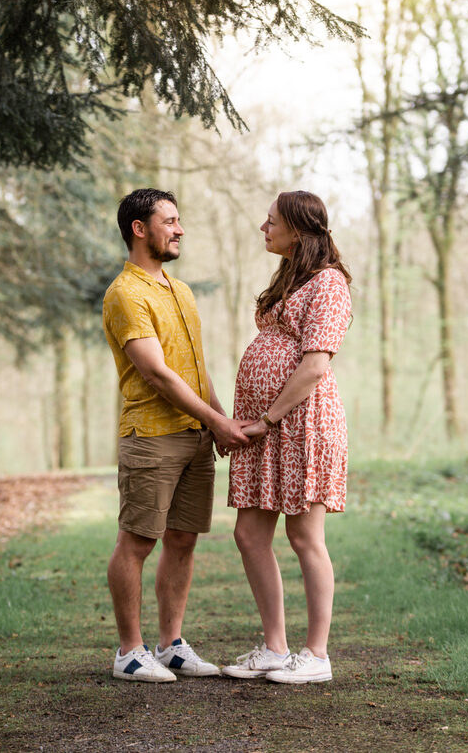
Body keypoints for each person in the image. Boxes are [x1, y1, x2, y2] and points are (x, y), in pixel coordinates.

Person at [102, 188, 251, 683]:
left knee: (183, 539)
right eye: (169, 220)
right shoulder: (125, 294)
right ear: (139, 229)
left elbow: (195, 369)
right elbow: (159, 375)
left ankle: (171, 646)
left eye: (179, 219)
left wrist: (220, 420)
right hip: (151, 435)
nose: (180, 228)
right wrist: (217, 421)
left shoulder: (180, 291)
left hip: (195, 435)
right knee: (138, 541)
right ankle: (129, 651)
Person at [221, 190, 352, 684]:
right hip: (267, 427)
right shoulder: (290, 278)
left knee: (304, 537)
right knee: (249, 534)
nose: (263, 227)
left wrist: (269, 418)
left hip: (300, 424)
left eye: (271, 220)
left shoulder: (329, 283)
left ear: (299, 228)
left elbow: (316, 364)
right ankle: (275, 648)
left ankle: (316, 655)